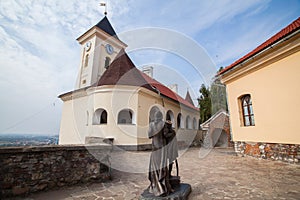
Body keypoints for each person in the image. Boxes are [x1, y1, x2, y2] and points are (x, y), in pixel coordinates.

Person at [148, 111, 172, 196]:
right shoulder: (163, 124)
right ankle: (163, 188)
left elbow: (149, 135)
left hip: (154, 147)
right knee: (162, 167)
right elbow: (166, 135)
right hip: (162, 147)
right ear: (161, 116)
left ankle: (154, 186)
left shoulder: (151, 124)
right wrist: (172, 132)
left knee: (155, 167)